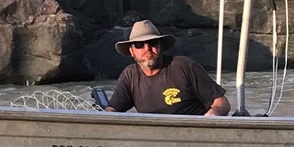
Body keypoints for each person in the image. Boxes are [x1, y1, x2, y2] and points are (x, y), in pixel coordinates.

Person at [97, 19, 232, 116]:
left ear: (161, 46)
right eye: (139, 45)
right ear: (132, 51)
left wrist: (212, 115)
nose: (147, 49)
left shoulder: (183, 66)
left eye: (153, 42)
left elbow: (222, 102)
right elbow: (112, 111)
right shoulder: (130, 76)